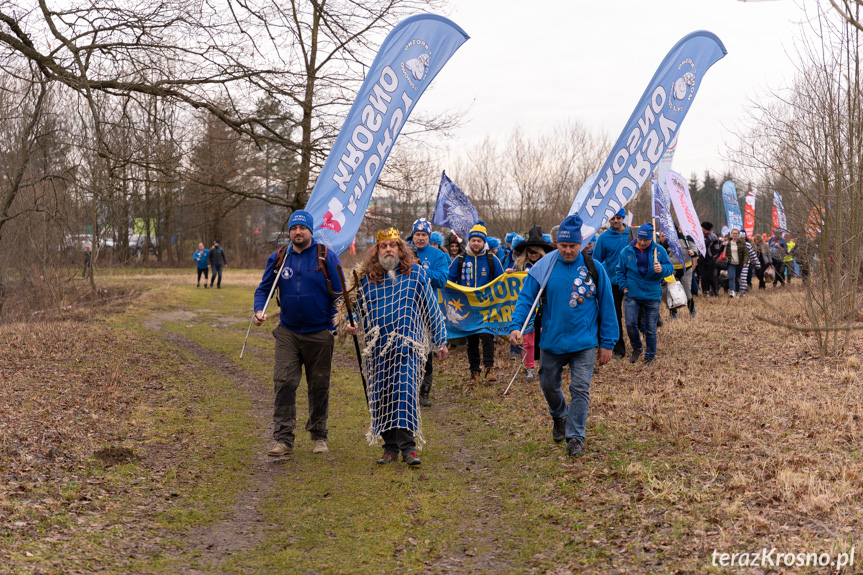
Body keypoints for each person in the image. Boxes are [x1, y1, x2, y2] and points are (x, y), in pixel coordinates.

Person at [509, 213, 618, 458]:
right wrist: (517, 326)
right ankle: (559, 414)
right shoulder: (544, 266)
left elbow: (608, 307)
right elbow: (526, 299)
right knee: (548, 384)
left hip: (584, 342)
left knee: (580, 388)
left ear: (582, 244)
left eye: (572, 246)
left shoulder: (594, 268)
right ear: (557, 243)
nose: (567, 250)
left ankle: (575, 437)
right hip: (552, 341)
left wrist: (607, 343)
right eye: (563, 245)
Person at [343, 228, 448, 466]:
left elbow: (431, 308)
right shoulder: (368, 280)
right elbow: (354, 311)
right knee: (382, 395)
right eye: (383, 246)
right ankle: (389, 447)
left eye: (393, 245)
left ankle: (408, 447)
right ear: (376, 251)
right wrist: (351, 324)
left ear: (401, 249)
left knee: (404, 392)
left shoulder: (416, 274)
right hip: (377, 350)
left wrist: (440, 340)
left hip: (408, 347)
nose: (388, 249)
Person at [253, 210, 343, 457]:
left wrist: (333, 327)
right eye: (294, 228)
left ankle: (318, 436)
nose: (298, 232)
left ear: (311, 231)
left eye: (302, 228)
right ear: (290, 231)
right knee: (283, 382)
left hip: (319, 334)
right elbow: (263, 289)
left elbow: (340, 295)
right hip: (288, 332)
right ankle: (283, 439)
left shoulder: (326, 256)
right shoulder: (280, 257)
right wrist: (259, 310)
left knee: (319, 385)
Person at [448, 220, 504, 383]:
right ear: (469, 241)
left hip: (486, 307)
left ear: (484, 242)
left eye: (479, 240)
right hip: (467, 307)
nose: (476, 243)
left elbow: (501, 281)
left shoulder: (492, 260)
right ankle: (474, 372)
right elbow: (449, 280)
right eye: (473, 240)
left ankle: (489, 369)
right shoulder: (460, 259)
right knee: (471, 340)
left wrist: (508, 274)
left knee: (487, 337)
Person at [616, 223, 674, 366]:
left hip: (652, 295)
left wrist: (662, 268)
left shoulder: (659, 251)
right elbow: (620, 271)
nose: (642, 242)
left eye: (645, 240)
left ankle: (650, 356)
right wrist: (624, 287)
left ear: (651, 239)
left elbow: (670, 268)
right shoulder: (627, 251)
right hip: (632, 293)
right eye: (640, 239)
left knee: (650, 327)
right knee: (630, 324)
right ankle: (637, 347)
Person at [408, 218, 451, 407]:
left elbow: (442, 279)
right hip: (406, 309)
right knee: (408, 350)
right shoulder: (403, 251)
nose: (420, 238)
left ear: (429, 236)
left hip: (427, 309)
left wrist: (421, 271)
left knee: (426, 352)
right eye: (417, 234)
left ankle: (424, 392)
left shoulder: (437, 255)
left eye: (424, 235)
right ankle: (407, 389)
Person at [507, 226, 555, 381]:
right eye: (530, 251)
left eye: (536, 251)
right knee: (527, 339)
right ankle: (529, 367)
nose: (533, 255)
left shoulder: (548, 265)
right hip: (527, 308)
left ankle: (545, 366)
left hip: (544, 308)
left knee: (544, 338)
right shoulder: (519, 266)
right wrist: (509, 274)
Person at [593, 208, 630, 359]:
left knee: (635, 317)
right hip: (612, 283)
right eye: (613, 218)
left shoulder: (632, 234)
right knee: (615, 316)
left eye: (618, 218)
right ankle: (618, 348)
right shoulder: (603, 238)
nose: (615, 221)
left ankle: (638, 344)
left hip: (631, 282)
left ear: (623, 218)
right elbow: (596, 260)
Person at [658, 229, 696, 318]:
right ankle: (673, 313)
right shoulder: (665, 242)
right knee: (670, 292)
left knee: (687, 292)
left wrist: (693, 252)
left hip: (685, 269)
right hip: (672, 271)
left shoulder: (686, 239)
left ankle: (692, 309)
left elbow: (694, 247)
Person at [697, 222, 722, 297]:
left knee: (710, 277)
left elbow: (717, 249)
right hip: (701, 259)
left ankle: (715, 291)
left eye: (702, 227)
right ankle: (706, 291)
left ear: (706, 228)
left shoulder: (713, 236)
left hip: (710, 259)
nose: (701, 228)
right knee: (703, 277)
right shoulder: (699, 235)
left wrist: (714, 258)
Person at [723, 229, 749, 298]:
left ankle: (737, 292)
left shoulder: (742, 242)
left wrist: (745, 262)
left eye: (736, 233)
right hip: (731, 263)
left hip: (739, 264)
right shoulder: (728, 242)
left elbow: (746, 253)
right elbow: (720, 250)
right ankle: (732, 292)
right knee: (731, 277)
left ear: (738, 235)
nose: (735, 235)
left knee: (737, 278)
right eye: (733, 233)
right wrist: (722, 245)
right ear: (731, 234)